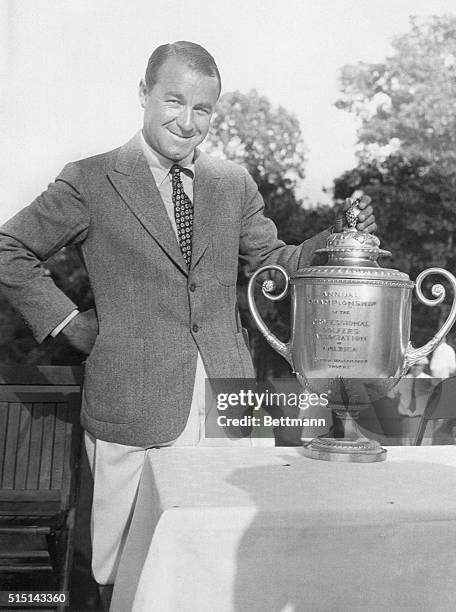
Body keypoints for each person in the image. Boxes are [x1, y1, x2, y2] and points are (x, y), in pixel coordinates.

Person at [0, 41, 376, 599]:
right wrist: (69, 323)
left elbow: (272, 263)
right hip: (132, 406)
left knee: (224, 567)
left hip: (228, 403)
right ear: (144, 95)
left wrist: (333, 239)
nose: (188, 121)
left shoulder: (233, 182)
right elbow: (10, 249)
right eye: (174, 101)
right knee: (126, 572)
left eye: (203, 109)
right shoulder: (90, 179)